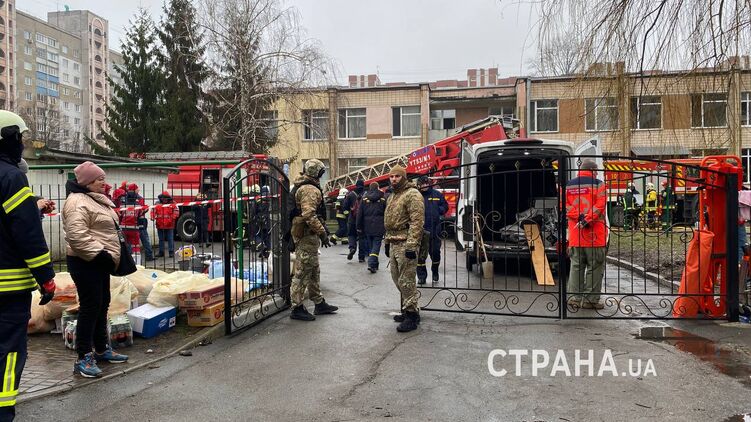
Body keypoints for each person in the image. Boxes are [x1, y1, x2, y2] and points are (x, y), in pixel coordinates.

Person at [0, 111, 56, 421]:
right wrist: (46, 277)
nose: (22, 144)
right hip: (7, 291)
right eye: (20, 138)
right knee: (8, 352)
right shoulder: (11, 177)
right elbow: (27, 234)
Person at [63, 161, 129, 379]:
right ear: (88, 181)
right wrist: (101, 254)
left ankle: (101, 348)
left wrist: (105, 257)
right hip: (85, 262)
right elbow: (76, 235)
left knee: (102, 304)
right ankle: (83, 357)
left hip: (99, 262)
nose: (104, 182)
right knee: (90, 307)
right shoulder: (77, 202)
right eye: (100, 178)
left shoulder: (95, 199)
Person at [288, 159, 338, 321]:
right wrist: (322, 233)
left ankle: (319, 302)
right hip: (306, 236)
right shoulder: (309, 189)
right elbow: (309, 215)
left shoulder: (305, 186)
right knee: (303, 272)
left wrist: (322, 230)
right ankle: (296, 307)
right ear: (317, 173)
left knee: (313, 270)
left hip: (309, 236)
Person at [384, 166, 424, 332]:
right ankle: (408, 308)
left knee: (406, 280)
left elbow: (417, 221)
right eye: (391, 176)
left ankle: (412, 315)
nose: (393, 179)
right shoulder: (393, 195)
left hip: (406, 242)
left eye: (397, 176)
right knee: (396, 278)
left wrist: (412, 245)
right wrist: (387, 242)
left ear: (404, 177)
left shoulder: (412, 194)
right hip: (393, 241)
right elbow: (389, 221)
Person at [565, 159, 608, 310]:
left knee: (576, 266)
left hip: (575, 235)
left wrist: (579, 217)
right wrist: (587, 219)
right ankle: (590, 301)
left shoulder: (569, 185)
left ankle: (574, 299)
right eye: (596, 171)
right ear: (592, 170)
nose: (597, 174)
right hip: (594, 235)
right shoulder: (599, 184)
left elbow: (565, 206)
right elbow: (600, 205)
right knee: (594, 267)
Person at [416, 176, 448, 285]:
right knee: (420, 256)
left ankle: (435, 271)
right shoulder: (416, 196)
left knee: (435, 253)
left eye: (426, 183)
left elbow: (445, 206)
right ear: (419, 185)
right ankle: (421, 277)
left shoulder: (437, 194)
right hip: (420, 230)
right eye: (422, 184)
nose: (424, 186)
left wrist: (438, 210)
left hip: (435, 230)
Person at [356, 182, 386, 273]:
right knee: (376, 245)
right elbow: (387, 213)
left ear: (370, 188)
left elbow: (360, 213)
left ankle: (374, 264)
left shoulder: (364, 199)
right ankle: (372, 263)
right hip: (379, 225)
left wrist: (359, 226)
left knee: (371, 246)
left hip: (367, 226)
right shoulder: (383, 198)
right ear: (378, 187)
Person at [120, 184, 146, 261]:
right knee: (136, 246)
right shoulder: (137, 205)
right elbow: (140, 215)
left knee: (124, 245)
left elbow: (120, 215)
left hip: (124, 228)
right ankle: (137, 262)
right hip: (134, 228)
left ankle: (126, 261)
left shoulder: (123, 205)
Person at [343, 179, 367, 262]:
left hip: (352, 220)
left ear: (356, 185)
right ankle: (361, 257)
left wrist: (348, 215)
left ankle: (352, 248)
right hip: (362, 220)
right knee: (362, 238)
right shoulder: (365, 194)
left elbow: (345, 207)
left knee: (351, 235)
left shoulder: (350, 194)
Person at [150, 191, 179, 258]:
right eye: (163, 198)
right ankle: (161, 252)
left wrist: (171, 219)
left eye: (165, 198)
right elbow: (153, 211)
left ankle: (171, 252)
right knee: (161, 239)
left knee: (170, 239)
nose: (164, 200)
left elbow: (176, 212)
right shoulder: (157, 203)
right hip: (160, 224)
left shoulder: (173, 203)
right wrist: (152, 217)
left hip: (169, 224)